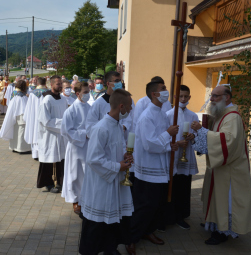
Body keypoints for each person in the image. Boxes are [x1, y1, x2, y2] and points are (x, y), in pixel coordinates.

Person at [191, 85, 251, 245]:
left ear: (227, 97)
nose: (211, 99)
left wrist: (202, 132)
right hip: (221, 167)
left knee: (226, 200)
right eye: (211, 95)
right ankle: (214, 223)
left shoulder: (232, 117)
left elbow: (227, 141)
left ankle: (222, 231)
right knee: (216, 197)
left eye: (216, 96)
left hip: (230, 171)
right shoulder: (223, 113)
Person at [126, 78, 179, 254]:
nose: (166, 91)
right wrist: (167, 134)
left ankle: (147, 231)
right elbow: (149, 144)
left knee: (155, 205)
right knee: (144, 206)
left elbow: (160, 142)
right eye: (163, 89)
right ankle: (130, 239)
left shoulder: (162, 113)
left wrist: (170, 145)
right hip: (148, 169)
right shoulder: (146, 116)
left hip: (160, 167)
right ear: (154, 94)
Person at [78, 89, 134, 255]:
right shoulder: (101, 128)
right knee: (97, 222)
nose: (131, 110)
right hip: (101, 184)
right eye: (129, 107)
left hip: (113, 181)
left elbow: (116, 148)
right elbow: (93, 159)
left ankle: (110, 248)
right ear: (121, 106)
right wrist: (118, 166)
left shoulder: (117, 125)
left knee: (112, 220)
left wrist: (124, 155)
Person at [166, 85, 199, 230]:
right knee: (172, 186)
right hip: (174, 154)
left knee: (184, 185)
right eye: (180, 96)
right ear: (175, 97)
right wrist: (175, 143)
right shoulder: (168, 115)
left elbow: (197, 134)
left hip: (187, 153)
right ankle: (170, 215)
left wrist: (193, 135)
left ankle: (181, 215)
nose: (183, 99)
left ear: (190, 97)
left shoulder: (193, 115)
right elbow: (164, 135)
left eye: (186, 96)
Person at [60, 81, 91, 215]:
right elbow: (66, 130)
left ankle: (86, 199)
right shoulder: (71, 110)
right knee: (75, 174)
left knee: (86, 174)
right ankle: (75, 200)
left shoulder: (90, 108)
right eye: (85, 92)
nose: (88, 95)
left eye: (89, 91)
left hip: (89, 146)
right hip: (76, 147)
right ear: (78, 94)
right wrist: (85, 134)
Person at [36, 75, 68, 193]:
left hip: (61, 134)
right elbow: (45, 120)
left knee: (61, 158)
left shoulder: (63, 99)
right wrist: (63, 124)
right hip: (49, 134)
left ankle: (60, 181)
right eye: (58, 84)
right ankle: (49, 183)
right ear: (51, 85)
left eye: (61, 84)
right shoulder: (47, 99)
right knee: (50, 159)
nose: (60, 86)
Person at [86, 71, 129, 138]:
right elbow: (90, 126)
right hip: (104, 142)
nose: (119, 83)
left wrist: (123, 127)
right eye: (116, 81)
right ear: (108, 83)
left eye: (120, 81)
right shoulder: (98, 104)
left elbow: (128, 119)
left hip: (119, 141)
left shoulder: (123, 101)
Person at [0, 80, 31, 153]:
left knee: (15, 131)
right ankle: (21, 148)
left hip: (14, 115)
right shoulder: (22, 96)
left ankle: (14, 147)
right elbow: (24, 107)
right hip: (21, 116)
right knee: (21, 132)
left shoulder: (14, 93)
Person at [24, 77, 49, 160]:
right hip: (45, 117)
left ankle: (35, 154)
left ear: (38, 83)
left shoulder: (32, 93)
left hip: (34, 117)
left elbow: (29, 107)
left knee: (34, 132)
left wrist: (27, 117)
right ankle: (43, 154)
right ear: (45, 83)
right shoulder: (48, 93)